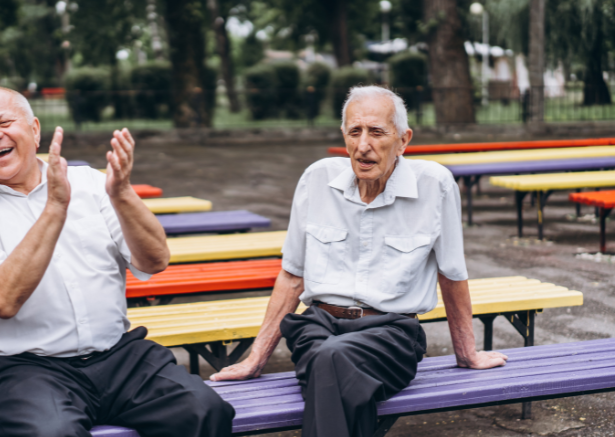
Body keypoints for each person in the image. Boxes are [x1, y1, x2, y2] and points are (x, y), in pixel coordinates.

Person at [0, 86, 234, 437]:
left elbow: (155, 260)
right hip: (24, 368)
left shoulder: (92, 183)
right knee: (52, 433)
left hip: (119, 357)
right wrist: (55, 208)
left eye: (3, 122)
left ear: (34, 129)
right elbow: (1, 301)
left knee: (204, 411)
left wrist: (122, 194)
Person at [210, 86, 508, 437]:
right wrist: (255, 359)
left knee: (330, 361)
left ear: (403, 140)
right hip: (318, 327)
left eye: (377, 132)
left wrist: (467, 354)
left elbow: (452, 274)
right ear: (344, 136)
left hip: (391, 334)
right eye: (355, 131)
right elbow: (292, 277)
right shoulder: (317, 178)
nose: (363, 145)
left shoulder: (434, 184)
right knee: (332, 362)